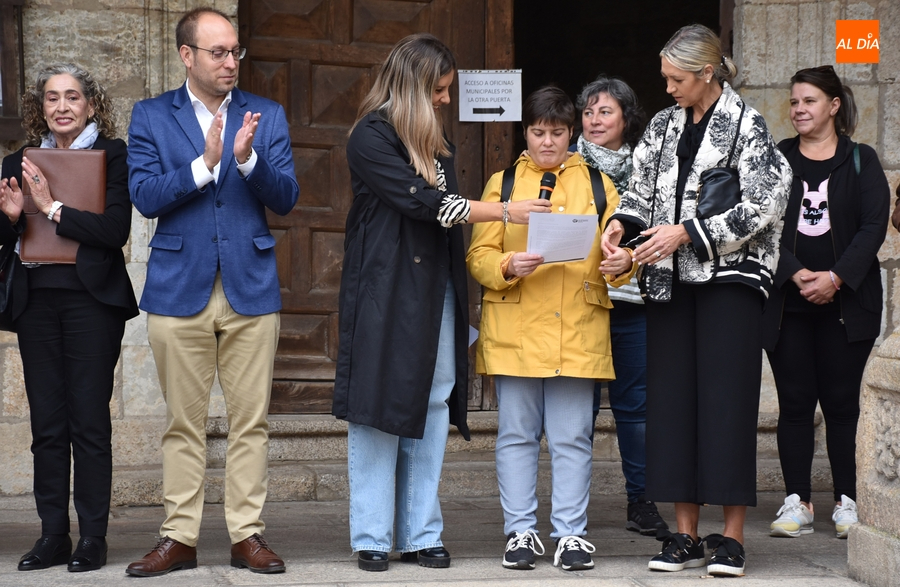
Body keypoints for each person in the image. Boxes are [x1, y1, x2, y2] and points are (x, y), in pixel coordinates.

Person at [333, 33, 551, 573]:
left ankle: (421, 531)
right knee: (378, 407)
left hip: (437, 290)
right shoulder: (370, 135)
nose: (447, 100)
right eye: (441, 90)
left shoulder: (438, 144)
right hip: (384, 289)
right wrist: (504, 212)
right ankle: (372, 535)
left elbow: (443, 207)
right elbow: (425, 203)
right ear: (413, 86)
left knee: (432, 403)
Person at [600, 24, 792, 576]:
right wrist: (620, 228)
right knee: (673, 406)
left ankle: (730, 538)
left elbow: (764, 205)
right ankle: (683, 535)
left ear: (707, 73)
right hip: (669, 285)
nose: (667, 88)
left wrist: (688, 232)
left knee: (727, 406)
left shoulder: (748, 126)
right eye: (665, 78)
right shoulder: (660, 127)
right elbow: (640, 191)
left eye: (676, 78)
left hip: (730, 284)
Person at [125, 7, 299, 577]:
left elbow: (287, 197)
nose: (231, 62)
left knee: (251, 421)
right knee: (183, 422)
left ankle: (248, 535)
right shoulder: (151, 116)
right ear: (186, 55)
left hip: (251, 285)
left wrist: (246, 160)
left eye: (235, 52)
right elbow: (146, 197)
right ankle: (179, 537)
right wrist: (206, 164)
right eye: (219, 52)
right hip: (179, 288)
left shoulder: (266, 114)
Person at [468, 85, 633, 572]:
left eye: (557, 133)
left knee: (572, 437)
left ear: (572, 132)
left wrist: (620, 264)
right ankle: (519, 532)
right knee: (516, 435)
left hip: (576, 326)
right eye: (538, 133)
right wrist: (506, 265)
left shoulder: (600, 185)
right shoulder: (503, 184)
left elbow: (624, 255)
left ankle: (571, 535)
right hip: (517, 325)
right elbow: (478, 255)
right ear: (526, 133)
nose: (547, 143)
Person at [0, 63, 138, 572]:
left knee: (89, 422)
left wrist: (51, 206)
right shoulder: (18, 159)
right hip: (35, 300)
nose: (62, 106)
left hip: (91, 303)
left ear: (91, 105)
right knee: (48, 426)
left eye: (73, 97)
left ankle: (93, 538)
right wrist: (13, 216)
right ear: (43, 106)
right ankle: (53, 534)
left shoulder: (113, 155)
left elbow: (115, 230)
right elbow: (2, 237)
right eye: (53, 98)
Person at [762, 65, 889, 540]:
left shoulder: (862, 160)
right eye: (794, 102)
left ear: (834, 106)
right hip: (787, 304)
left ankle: (846, 502)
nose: (799, 110)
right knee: (794, 404)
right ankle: (797, 503)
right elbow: (764, 226)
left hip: (846, 306)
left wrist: (835, 278)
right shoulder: (776, 160)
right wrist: (795, 273)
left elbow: (873, 227)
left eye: (809, 101)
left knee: (842, 405)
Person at [574, 75, 668, 537]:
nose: (594, 120)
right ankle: (574, 508)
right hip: (580, 304)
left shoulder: (649, 170)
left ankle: (642, 501)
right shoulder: (566, 165)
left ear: (626, 120)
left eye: (605, 111)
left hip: (633, 305)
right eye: (589, 111)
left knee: (635, 409)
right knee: (579, 410)